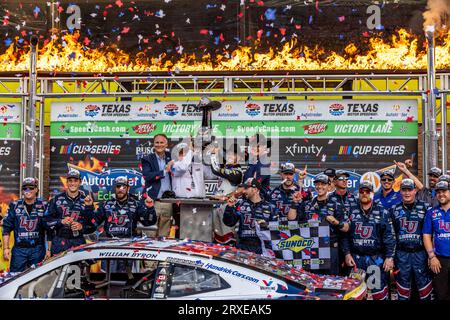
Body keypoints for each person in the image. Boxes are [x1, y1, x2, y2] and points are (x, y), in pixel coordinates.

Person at [342, 181, 396, 300]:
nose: (364, 194)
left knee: (378, 293)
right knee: (355, 293)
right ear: (358, 194)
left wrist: (389, 257)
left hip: (375, 259)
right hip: (356, 259)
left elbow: (389, 237)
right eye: (362, 191)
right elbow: (345, 236)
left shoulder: (382, 212)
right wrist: (347, 254)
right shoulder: (350, 211)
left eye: (367, 192)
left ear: (372, 193)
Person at [288, 174, 348, 275]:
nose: (319, 187)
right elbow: (291, 219)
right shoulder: (307, 204)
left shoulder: (336, 204)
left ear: (329, 187)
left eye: (323, 184)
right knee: (311, 280)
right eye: (317, 184)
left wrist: (335, 222)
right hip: (311, 249)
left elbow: (346, 228)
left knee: (331, 282)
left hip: (330, 249)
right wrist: (294, 203)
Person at [390, 178, 433, 300]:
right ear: (400, 192)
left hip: (421, 254)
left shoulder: (426, 207)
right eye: (404, 190)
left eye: (410, 190)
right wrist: (391, 257)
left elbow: (432, 232)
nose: (407, 193)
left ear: (415, 191)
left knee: (425, 289)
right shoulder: (393, 209)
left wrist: (431, 255)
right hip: (401, 254)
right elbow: (390, 235)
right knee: (403, 290)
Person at [2, 177, 51, 272]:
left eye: (31, 188)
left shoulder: (44, 205)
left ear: (36, 189)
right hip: (19, 250)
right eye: (25, 188)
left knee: (38, 278)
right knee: (14, 278)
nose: (28, 190)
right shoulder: (14, 205)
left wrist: (49, 249)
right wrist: (5, 248)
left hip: (37, 250)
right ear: (22, 190)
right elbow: (6, 228)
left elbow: (50, 229)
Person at [44, 169, 96, 256]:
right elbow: (45, 222)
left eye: (75, 181)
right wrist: (61, 221)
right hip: (59, 242)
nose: (72, 183)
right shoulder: (56, 199)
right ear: (67, 182)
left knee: (77, 269)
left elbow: (93, 226)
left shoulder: (87, 200)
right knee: (59, 269)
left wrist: (81, 227)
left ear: (80, 182)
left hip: (78, 241)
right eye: (70, 181)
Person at [223, 178, 277, 254]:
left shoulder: (270, 207)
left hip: (262, 248)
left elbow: (277, 230)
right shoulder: (240, 204)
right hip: (243, 246)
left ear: (255, 190)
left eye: (246, 188)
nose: (244, 191)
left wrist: (267, 225)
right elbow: (229, 223)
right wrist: (229, 207)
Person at [91, 176, 157, 238]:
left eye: (123, 187)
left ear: (128, 188)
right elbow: (93, 221)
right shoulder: (106, 204)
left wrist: (150, 208)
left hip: (129, 243)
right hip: (109, 242)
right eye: (118, 186)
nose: (120, 189)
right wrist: (89, 207)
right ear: (115, 188)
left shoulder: (136, 204)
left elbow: (149, 221)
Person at [209, 143, 243, 244]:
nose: (229, 156)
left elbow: (215, 169)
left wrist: (213, 154)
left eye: (233, 154)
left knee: (228, 240)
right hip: (217, 207)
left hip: (227, 209)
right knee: (217, 239)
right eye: (228, 154)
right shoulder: (226, 169)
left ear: (239, 158)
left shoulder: (237, 172)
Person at [140, 133, 174, 236]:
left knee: (164, 235)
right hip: (152, 202)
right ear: (153, 144)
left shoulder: (172, 157)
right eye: (157, 142)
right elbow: (147, 175)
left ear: (166, 144)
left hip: (168, 202)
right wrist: (164, 171)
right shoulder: (147, 159)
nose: (159, 145)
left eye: (162, 142)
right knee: (149, 235)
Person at [423, 180, 450, 300]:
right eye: (438, 192)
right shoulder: (431, 212)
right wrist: (432, 256)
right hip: (439, 261)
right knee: (441, 295)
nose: (441, 194)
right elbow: (426, 235)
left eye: (444, 191)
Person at [327, 170, 359, 274]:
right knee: (335, 274)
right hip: (333, 243)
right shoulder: (328, 198)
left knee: (351, 274)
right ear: (335, 181)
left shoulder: (354, 198)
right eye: (341, 178)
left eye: (346, 179)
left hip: (351, 242)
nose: (344, 181)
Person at [243, 134, 271, 200]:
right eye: (252, 145)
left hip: (260, 203)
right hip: (249, 201)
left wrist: (233, 195)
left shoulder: (265, 163)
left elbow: (250, 184)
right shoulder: (253, 160)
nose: (254, 147)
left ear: (264, 147)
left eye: (257, 145)